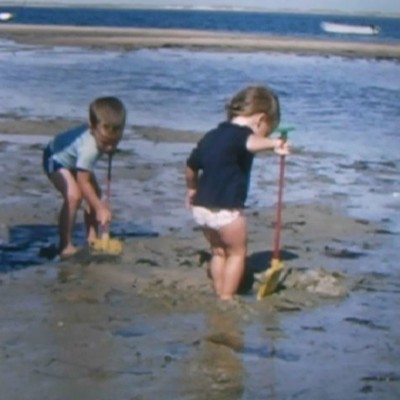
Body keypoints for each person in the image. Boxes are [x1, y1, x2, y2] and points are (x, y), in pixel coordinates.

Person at [185, 85, 290, 301]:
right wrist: (275, 144)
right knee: (237, 253)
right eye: (267, 130)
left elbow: (190, 166)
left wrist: (192, 188)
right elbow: (251, 143)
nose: (265, 135)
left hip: (202, 208)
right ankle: (226, 295)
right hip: (227, 209)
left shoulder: (212, 135)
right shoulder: (242, 135)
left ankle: (218, 289)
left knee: (218, 252)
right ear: (260, 119)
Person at [42, 96, 126, 257]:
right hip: (55, 158)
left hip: (75, 162)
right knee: (74, 196)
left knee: (95, 194)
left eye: (115, 142)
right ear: (92, 127)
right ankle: (65, 245)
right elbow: (83, 181)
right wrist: (100, 207)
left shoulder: (102, 135)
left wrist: (97, 203)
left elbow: (87, 182)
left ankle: (92, 237)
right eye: (105, 143)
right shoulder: (89, 148)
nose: (109, 147)